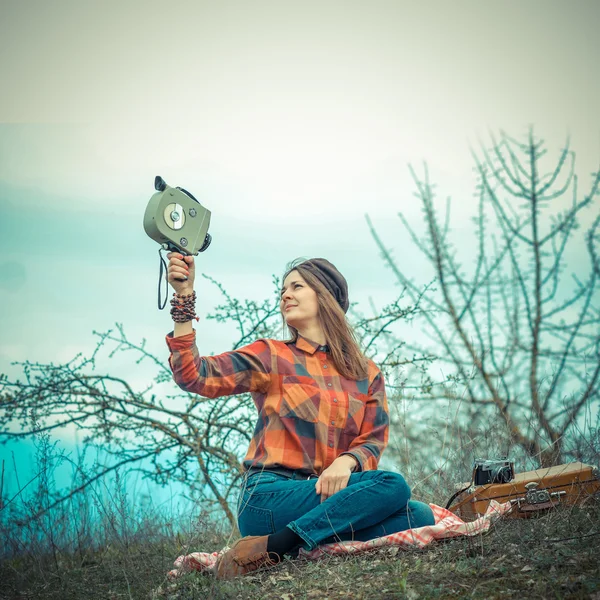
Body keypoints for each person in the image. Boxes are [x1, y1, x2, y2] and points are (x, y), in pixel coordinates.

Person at [165, 253, 435, 580]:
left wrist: (345, 462)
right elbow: (193, 375)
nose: (285, 295)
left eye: (297, 286)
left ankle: (287, 545)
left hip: (331, 497)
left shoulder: (367, 373)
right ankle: (278, 544)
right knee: (392, 484)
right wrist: (183, 296)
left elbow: (373, 440)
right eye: (283, 289)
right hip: (269, 498)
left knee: (419, 514)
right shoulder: (271, 355)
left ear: (325, 298)